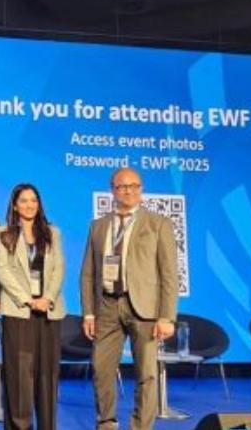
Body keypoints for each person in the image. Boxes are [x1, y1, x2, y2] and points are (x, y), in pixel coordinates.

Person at [80, 167, 179, 430]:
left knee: (146, 374)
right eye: (123, 186)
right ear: (112, 190)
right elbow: (88, 273)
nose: (129, 191)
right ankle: (106, 423)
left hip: (145, 309)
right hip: (107, 306)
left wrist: (167, 316)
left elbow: (169, 273)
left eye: (134, 186)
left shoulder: (158, 223)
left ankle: (140, 426)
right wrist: (88, 313)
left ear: (141, 189)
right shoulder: (98, 226)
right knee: (101, 370)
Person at [0, 183, 66, 430]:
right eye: (24, 201)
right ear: (15, 205)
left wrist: (48, 297)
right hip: (19, 311)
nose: (29, 205)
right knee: (19, 376)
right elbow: (2, 270)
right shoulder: (3, 233)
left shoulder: (52, 233)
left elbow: (58, 269)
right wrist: (27, 299)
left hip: (48, 311)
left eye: (33, 200)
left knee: (47, 375)